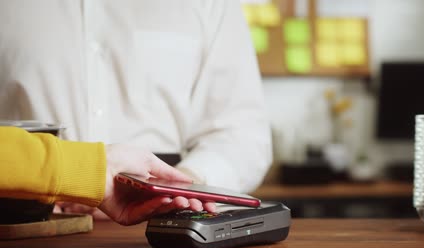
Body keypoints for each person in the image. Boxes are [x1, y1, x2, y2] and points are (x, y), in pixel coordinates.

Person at [0, 1, 272, 216]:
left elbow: (244, 134)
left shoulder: (210, 4)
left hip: (161, 221)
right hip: (25, 226)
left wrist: (181, 185)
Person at [0, 126, 215, 226]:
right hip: (33, 218)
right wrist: (96, 172)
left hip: (149, 204)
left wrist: (185, 177)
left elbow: (237, 126)